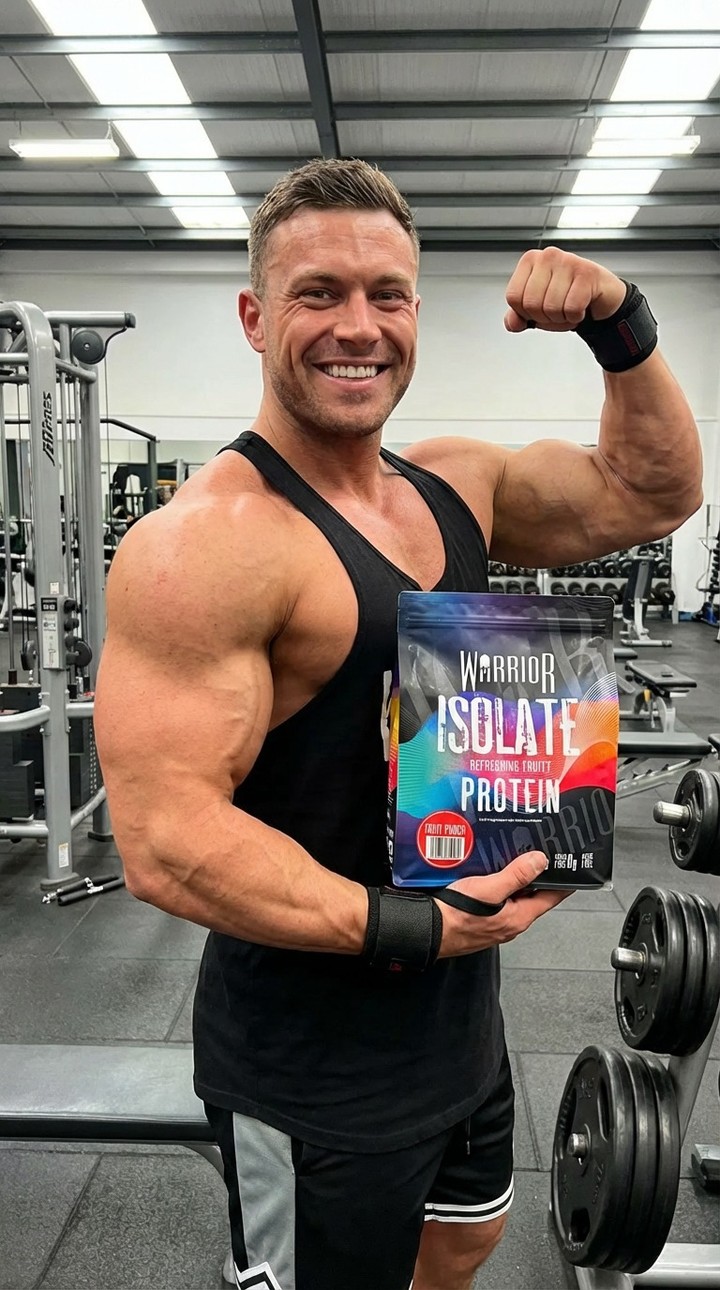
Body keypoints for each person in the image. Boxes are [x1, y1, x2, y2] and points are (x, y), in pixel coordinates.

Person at [94, 158, 702, 1290]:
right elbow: (164, 839)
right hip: (310, 1061)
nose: (358, 326)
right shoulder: (207, 544)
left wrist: (621, 328)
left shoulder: (454, 484)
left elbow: (652, 493)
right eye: (318, 293)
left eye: (387, 294)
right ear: (255, 317)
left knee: (461, 1247)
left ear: (416, 310)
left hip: (459, 1020)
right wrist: (410, 929)